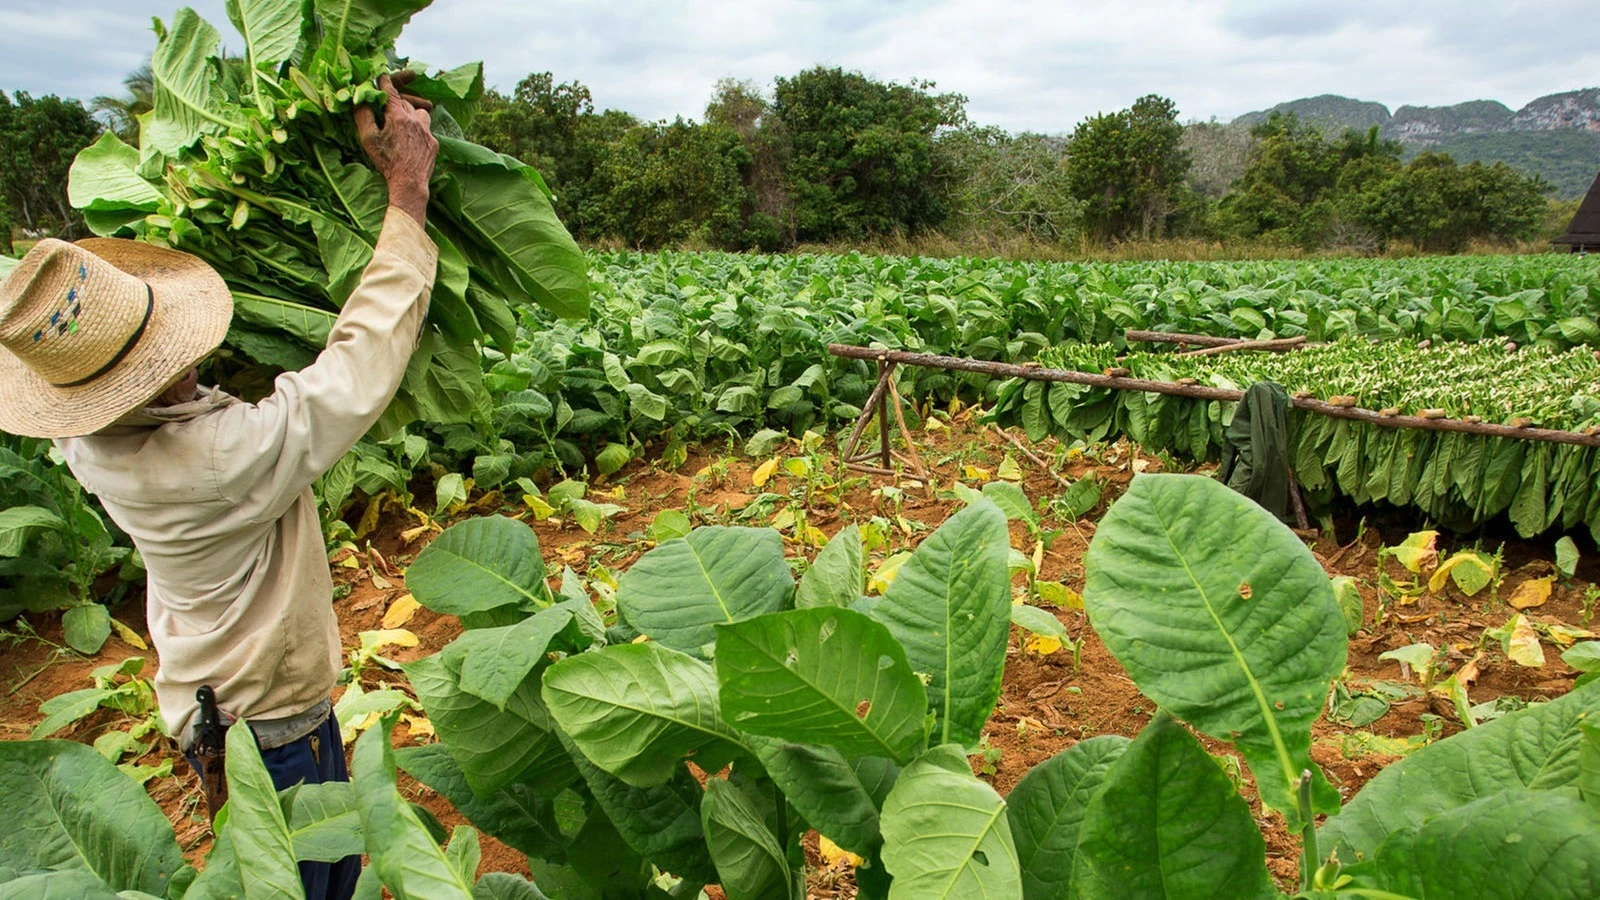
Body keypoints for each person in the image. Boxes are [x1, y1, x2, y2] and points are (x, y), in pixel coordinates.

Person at [0, 75, 438, 900]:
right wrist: (406, 192)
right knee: (312, 883)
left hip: (208, 710)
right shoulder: (212, 459)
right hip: (273, 727)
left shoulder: (80, 436)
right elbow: (355, 369)